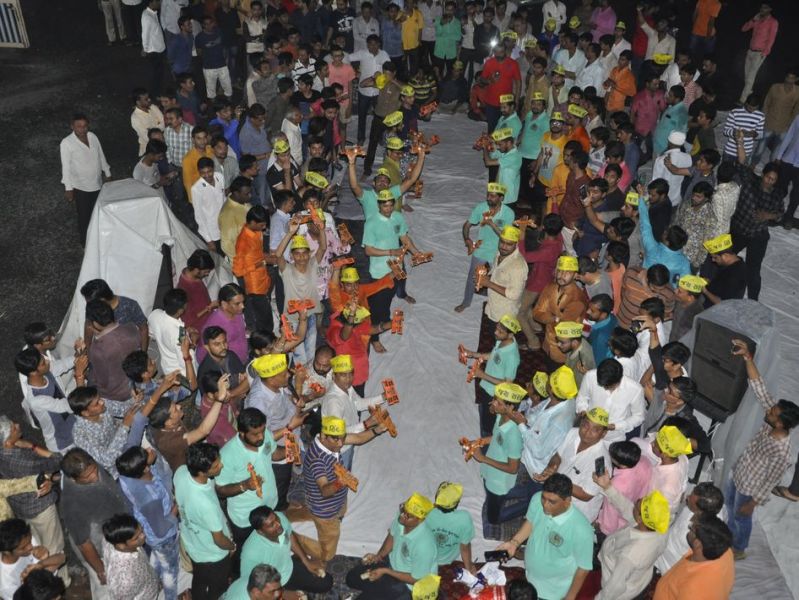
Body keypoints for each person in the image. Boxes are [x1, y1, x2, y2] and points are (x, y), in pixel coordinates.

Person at [726, 339, 799, 559]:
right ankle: (728, 533)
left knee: (742, 516)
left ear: (780, 423)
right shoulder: (773, 421)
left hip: (750, 488)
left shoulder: (782, 452)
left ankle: (739, 548)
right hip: (740, 472)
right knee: (729, 505)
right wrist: (748, 357)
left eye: (772, 413)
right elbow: (759, 386)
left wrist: (753, 503)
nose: (768, 411)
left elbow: (770, 481)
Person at [498, 474, 593, 600]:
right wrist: (514, 543)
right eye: (544, 498)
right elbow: (531, 522)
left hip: (553, 592)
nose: (545, 505)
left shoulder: (582, 530)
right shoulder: (537, 499)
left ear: (567, 500)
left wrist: (570, 598)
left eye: (552, 502)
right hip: (530, 577)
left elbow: (583, 568)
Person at [60, 449, 130, 599]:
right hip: (98, 552)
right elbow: (84, 544)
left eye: (94, 470)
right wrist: (101, 570)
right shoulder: (72, 504)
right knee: (105, 590)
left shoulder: (90, 466)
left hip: (115, 536)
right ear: (73, 479)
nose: (94, 477)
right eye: (87, 477)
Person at [344, 492, 437, 599]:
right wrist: (379, 556)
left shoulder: (425, 545)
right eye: (403, 509)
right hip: (391, 564)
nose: (402, 515)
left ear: (420, 520)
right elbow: (391, 537)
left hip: (407, 585)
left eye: (408, 515)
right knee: (351, 579)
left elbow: (416, 579)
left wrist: (386, 571)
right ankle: (377, 588)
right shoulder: (402, 518)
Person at [0, 418, 66, 569]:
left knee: (34, 544)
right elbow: (57, 460)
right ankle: (59, 578)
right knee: (53, 549)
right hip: (40, 508)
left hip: (21, 507)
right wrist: (32, 446)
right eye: (13, 428)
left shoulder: (4, 453)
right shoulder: (19, 460)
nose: (18, 425)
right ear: (8, 440)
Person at [116, 446, 179, 600]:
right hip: (164, 538)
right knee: (170, 571)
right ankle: (170, 596)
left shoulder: (127, 477)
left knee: (157, 559)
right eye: (146, 453)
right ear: (145, 468)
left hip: (149, 532)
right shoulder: (150, 498)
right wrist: (175, 510)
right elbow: (161, 530)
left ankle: (152, 583)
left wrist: (149, 461)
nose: (149, 450)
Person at [174, 443, 236, 600]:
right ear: (202, 472)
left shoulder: (181, 473)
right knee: (218, 587)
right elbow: (219, 540)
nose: (221, 465)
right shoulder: (206, 505)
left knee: (200, 578)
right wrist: (232, 546)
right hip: (213, 555)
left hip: (193, 544)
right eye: (216, 466)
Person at [729, 137, 782, 302]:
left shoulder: (776, 195)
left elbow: (780, 214)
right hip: (739, 228)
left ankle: (753, 301)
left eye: (773, 180)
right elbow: (742, 163)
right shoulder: (751, 181)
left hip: (758, 234)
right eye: (768, 177)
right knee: (724, 256)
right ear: (763, 174)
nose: (769, 181)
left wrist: (769, 215)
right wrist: (740, 143)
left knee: (753, 270)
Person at [469, 382, 525, 532]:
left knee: (492, 517)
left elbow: (513, 468)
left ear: (510, 407)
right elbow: (496, 437)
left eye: (498, 402)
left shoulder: (513, 435)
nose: (493, 403)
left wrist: (483, 459)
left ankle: (525, 506)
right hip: (492, 471)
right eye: (494, 399)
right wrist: (479, 442)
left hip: (499, 481)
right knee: (491, 497)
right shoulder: (500, 416)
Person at [455, 183, 515, 314]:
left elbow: (506, 238)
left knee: (499, 280)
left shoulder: (509, 213)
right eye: (488, 195)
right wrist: (467, 239)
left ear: (501, 198)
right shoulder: (481, 207)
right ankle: (466, 302)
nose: (489, 198)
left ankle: (496, 304)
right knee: (473, 276)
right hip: (482, 248)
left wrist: (492, 224)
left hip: (500, 251)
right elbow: (467, 225)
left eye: (493, 196)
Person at [147, 374, 229, 471]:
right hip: (188, 470)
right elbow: (203, 431)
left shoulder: (166, 421)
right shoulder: (167, 442)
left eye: (175, 405)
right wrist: (219, 400)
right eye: (175, 409)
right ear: (168, 423)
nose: (179, 406)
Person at [274, 219, 328, 365]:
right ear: (292, 256)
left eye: (304, 253)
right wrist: (290, 233)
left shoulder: (312, 265)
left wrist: (321, 229)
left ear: (309, 254)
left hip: (310, 315)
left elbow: (323, 247)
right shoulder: (287, 270)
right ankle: (299, 377)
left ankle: (307, 377)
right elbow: (278, 255)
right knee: (299, 356)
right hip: (292, 319)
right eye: (297, 254)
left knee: (310, 352)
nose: (301, 257)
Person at [319, 354, 386, 468]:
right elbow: (337, 435)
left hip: (349, 443)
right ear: (334, 376)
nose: (348, 379)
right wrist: (366, 424)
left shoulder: (347, 388)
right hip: (340, 450)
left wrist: (383, 397)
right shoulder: (333, 402)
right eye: (343, 375)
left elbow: (358, 404)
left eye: (351, 374)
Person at [652, 515, 735, 600]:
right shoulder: (724, 551)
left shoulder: (693, 591)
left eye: (691, 528)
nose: (689, 529)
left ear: (697, 544)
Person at [465, 315, 521, 437]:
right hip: (487, 388)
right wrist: (473, 354)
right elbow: (494, 355)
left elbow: (507, 384)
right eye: (497, 328)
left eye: (500, 331)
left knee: (487, 425)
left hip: (494, 394)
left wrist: (482, 375)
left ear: (510, 334)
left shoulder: (512, 357)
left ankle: (486, 441)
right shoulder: (502, 340)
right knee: (483, 410)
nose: (496, 332)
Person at [59, 113, 111, 246]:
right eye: (79, 126)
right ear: (72, 126)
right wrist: (68, 189)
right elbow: (66, 167)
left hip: (97, 183)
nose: (82, 129)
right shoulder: (66, 143)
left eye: (85, 126)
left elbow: (100, 154)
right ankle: (86, 243)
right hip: (81, 187)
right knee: (84, 217)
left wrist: (107, 172)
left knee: (98, 213)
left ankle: (98, 240)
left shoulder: (92, 136)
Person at [657, 482, 725, 574]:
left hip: (666, 567)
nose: (687, 497)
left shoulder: (700, 536)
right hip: (663, 548)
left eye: (691, 501)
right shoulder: (714, 505)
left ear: (700, 512)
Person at [532, 256, 587, 364]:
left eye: (567, 273)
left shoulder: (577, 298)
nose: (562, 275)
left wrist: (549, 317)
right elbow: (536, 313)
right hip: (548, 343)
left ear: (575, 275)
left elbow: (562, 325)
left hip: (564, 350)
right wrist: (554, 318)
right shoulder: (550, 287)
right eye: (560, 271)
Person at [576, 358, 645, 443]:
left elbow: (638, 417)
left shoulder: (635, 389)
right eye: (602, 385)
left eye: (607, 386)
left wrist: (616, 426)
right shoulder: (590, 376)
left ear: (619, 380)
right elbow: (582, 397)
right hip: (589, 430)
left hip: (614, 438)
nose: (605, 388)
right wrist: (582, 410)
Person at [232, 206, 274, 334]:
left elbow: (257, 254)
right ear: (253, 222)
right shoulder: (243, 242)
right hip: (254, 286)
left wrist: (265, 258)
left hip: (263, 279)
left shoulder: (256, 231)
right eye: (262, 225)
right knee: (263, 319)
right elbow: (237, 271)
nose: (264, 228)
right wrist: (260, 264)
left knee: (266, 315)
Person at [0, 518, 65, 599]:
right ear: (7, 552)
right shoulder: (5, 582)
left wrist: (41, 564)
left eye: (30, 541)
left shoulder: (25, 540)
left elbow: (62, 558)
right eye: (23, 548)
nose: (30, 547)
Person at [101, 514, 161, 600]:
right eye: (136, 538)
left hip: (147, 583)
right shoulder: (126, 579)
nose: (143, 535)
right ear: (121, 545)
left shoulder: (113, 537)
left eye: (142, 530)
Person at [425, 482, 475, 573]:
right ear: (457, 503)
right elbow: (464, 548)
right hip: (448, 558)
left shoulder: (426, 511)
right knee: (466, 540)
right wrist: (469, 568)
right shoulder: (464, 518)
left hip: (427, 556)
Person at [739, 3, 778, 104]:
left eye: (765, 8)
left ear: (770, 9)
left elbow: (771, 38)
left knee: (751, 77)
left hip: (760, 53)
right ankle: (749, 93)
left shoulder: (773, 22)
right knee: (747, 76)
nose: (762, 9)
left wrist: (765, 52)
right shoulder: (757, 19)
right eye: (761, 7)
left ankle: (742, 100)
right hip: (751, 50)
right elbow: (744, 29)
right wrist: (753, 20)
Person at [199, 283, 248, 364]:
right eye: (237, 303)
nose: (242, 306)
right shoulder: (215, 325)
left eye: (243, 302)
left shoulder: (237, 313)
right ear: (224, 304)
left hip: (241, 361)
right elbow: (208, 354)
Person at [192, 157, 227, 254]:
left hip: (225, 223)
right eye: (203, 173)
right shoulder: (196, 189)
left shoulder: (220, 177)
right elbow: (199, 216)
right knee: (221, 256)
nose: (207, 175)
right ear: (199, 172)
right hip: (213, 230)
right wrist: (209, 240)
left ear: (213, 169)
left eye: (209, 171)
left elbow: (224, 198)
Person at [702, 234, 747, 306]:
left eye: (715, 257)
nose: (713, 260)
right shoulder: (733, 263)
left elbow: (723, 304)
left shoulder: (735, 276)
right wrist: (708, 282)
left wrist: (705, 291)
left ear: (725, 256)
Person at [195, 15, 233, 99]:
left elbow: (224, 47)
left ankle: (230, 103)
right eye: (206, 24)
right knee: (211, 90)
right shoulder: (199, 37)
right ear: (203, 25)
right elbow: (199, 52)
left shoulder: (219, 31)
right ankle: (213, 105)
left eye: (210, 23)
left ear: (213, 23)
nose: (209, 25)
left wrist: (226, 60)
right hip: (209, 67)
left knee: (228, 87)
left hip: (222, 64)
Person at [774, 112, 799, 229]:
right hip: (788, 159)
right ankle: (774, 212)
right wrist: (779, 155)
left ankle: (788, 217)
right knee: (780, 188)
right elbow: (789, 135)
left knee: (797, 194)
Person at [721, 95, 765, 162]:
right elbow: (726, 131)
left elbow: (760, 135)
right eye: (750, 108)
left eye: (754, 108)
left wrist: (754, 134)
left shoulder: (760, 116)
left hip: (746, 152)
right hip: (730, 151)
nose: (752, 110)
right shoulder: (734, 112)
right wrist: (735, 132)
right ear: (746, 103)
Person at [652, 86, 688, 158]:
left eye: (670, 96)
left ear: (677, 99)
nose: (667, 97)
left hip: (664, 150)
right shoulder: (672, 107)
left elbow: (679, 134)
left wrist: (667, 151)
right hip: (658, 146)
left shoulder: (681, 113)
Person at [669, 275, 706, 342]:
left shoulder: (696, 315)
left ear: (690, 298)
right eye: (677, 288)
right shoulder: (680, 301)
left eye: (679, 291)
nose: (675, 291)